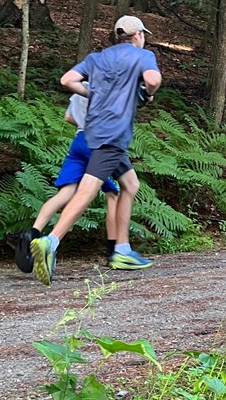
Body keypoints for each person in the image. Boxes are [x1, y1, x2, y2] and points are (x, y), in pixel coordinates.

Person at [30, 16, 162, 285]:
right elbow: (153, 79)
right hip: (113, 135)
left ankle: (122, 250)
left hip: (94, 132)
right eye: (143, 34)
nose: (144, 38)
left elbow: (67, 79)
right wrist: (148, 93)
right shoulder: (142, 55)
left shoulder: (97, 58)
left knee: (130, 184)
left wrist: (94, 95)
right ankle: (51, 242)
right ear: (137, 35)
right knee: (88, 190)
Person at [11, 94, 121, 273]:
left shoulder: (77, 91)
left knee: (64, 194)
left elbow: (69, 117)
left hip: (78, 142)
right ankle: (113, 253)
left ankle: (33, 232)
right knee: (113, 195)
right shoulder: (101, 86)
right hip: (96, 143)